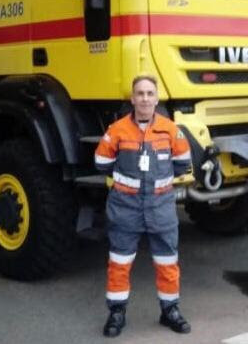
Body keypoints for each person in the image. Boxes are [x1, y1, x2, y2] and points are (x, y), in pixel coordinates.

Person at [95, 75, 192, 337]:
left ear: (157, 98)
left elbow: (183, 163)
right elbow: (101, 162)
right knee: (119, 262)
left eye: (150, 93)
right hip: (125, 208)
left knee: (167, 261)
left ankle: (170, 310)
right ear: (132, 99)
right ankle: (117, 313)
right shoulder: (116, 130)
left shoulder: (171, 130)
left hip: (160, 208)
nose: (145, 98)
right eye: (140, 93)